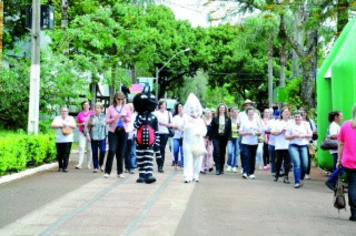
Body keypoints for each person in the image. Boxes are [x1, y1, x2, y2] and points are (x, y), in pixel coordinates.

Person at [180, 93, 207, 183]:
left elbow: (204, 131)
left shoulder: (200, 121)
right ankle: (187, 176)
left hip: (198, 142)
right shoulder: (186, 119)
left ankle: (196, 174)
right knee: (188, 159)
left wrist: (200, 132)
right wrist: (184, 123)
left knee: (198, 160)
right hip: (187, 142)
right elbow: (180, 128)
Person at [104, 92, 132, 178]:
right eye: (118, 99)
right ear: (115, 99)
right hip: (113, 131)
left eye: (121, 99)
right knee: (112, 150)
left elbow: (129, 119)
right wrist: (114, 118)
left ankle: (120, 172)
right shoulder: (110, 108)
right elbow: (106, 121)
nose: (120, 101)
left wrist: (124, 118)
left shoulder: (126, 107)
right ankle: (107, 171)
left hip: (123, 131)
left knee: (120, 152)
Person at [337, 103, 356, 221]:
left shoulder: (345, 125)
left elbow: (341, 144)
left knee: (352, 185)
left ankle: (354, 213)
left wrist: (339, 160)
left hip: (349, 161)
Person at [285, 110, 312, 188]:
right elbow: (286, 136)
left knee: (305, 165)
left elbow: (310, 134)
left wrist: (303, 135)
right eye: (296, 117)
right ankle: (297, 182)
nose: (297, 118)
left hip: (303, 145)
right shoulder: (291, 125)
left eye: (299, 116)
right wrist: (293, 136)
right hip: (293, 145)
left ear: (302, 117)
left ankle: (300, 177)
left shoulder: (306, 124)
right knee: (297, 164)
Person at [239, 106, 263, 179]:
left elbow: (260, 132)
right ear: (247, 114)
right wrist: (248, 133)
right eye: (249, 113)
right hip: (245, 142)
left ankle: (251, 172)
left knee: (252, 157)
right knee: (246, 156)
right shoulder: (244, 121)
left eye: (252, 113)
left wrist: (257, 133)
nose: (251, 114)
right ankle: (245, 172)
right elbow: (240, 132)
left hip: (254, 142)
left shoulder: (256, 121)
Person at [84, 102, 108, 173]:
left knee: (103, 150)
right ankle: (95, 167)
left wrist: (107, 137)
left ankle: (101, 163)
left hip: (102, 136)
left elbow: (107, 127)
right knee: (94, 152)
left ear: (101, 109)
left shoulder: (104, 117)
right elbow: (86, 127)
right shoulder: (91, 117)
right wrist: (87, 135)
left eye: (99, 108)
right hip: (93, 136)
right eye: (96, 108)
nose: (97, 109)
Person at [51, 106, 76, 172]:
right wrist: (61, 125)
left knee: (66, 153)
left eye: (65, 111)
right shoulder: (57, 118)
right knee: (60, 153)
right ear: (60, 112)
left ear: (68, 112)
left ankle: (65, 167)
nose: (64, 112)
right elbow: (52, 126)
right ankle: (60, 166)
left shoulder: (70, 118)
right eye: (63, 111)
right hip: (59, 139)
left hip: (68, 139)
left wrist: (67, 125)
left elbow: (74, 126)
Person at [154, 99, 174, 173]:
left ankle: (161, 165)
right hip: (157, 132)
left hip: (165, 132)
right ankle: (158, 163)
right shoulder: (156, 113)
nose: (163, 106)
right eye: (162, 104)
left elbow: (172, 124)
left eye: (164, 105)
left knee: (162, 148)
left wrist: (164, 124)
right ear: (159, 105)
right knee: (157, 148)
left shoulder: (168, 113)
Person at [272, 107, 291, 183]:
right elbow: (272, 132)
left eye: (288, 112)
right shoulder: (278, 122)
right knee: (278, 161)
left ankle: (286, 177)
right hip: (279, 145)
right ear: (281, 114)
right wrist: (280, 132)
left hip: (289, 145)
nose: (286, 113)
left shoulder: (292, 122)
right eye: (285, 112)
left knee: (287, 162)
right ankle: (276, 174)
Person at [325, 111, 344, 190]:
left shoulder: (335, 125)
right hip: (336, 149)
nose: (341, 118)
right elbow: (333, 135)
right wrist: (343, 134)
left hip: (336, 149)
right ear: (336, 117)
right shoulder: (334, 125)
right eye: (340, 116)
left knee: (335, 167)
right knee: (342, 167)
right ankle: (331, 180)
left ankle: (334, 184)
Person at [211, 103, 231, 175]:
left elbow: (229, 129)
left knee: (222, 153)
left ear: (225, 109)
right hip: (216, 137)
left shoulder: (228, 118)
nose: (222, 109)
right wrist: (210, 137)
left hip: (224, 138)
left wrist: (229, 139)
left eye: (223, 108)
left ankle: (222, 168)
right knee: (216, 152)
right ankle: (217, 168)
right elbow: (212, 128)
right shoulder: (215, 118)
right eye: (220, 108)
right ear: (218, 109)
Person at [76, 100, 95, 170]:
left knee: (90, 149)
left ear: (89, 106)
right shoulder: (80, 114)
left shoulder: (92, 113)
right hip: (82, 132)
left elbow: (96, 120)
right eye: (84, 105)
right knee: (81, 147)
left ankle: (88, 163)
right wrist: (81, 124)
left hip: (90, 133)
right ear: (83, 106)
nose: (86, 106)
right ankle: (80, 163)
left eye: (87, 105)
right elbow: (76, 123)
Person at [300, 108, 317, 180]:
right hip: (299, 142)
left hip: (308, 143)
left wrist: (309, 133)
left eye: (304, 112)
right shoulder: (297, 121)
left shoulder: (310, 121)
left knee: (307, 158)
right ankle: (301, 172)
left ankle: (307, 172)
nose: (303, 113)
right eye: (302, 112)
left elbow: (315, 130)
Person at [124, 103, 137, 174]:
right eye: (128, 107)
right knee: (126, 153)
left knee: (133, 152)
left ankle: (131, 167)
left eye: (131, 107)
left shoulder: (136, 116)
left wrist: (136, 128)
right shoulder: (124, 116)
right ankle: (126, 167)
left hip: (133, 136)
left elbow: (139, 124)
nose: (130, 109)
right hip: (125, 136)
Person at [171, 102, 184, 169]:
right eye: (179, 108)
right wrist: (176, 127)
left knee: (183, 151)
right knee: (175, 150)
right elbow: (173, 125)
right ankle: (175, 161)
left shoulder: (186, 117)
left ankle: (182, 163)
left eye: (181, 107)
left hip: (183, 137)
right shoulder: (175, 117)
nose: (180, 109)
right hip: (176, 136)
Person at [201, 108, 214, 174]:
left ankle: (210, 165)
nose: (208, 114)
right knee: (203, 153)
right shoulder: (202, 121)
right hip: (203, 138)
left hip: (210, 139)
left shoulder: (213, 121)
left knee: (210, 153)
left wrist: (211, 138)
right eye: (206, 113)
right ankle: (203, 167)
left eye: (209, 113)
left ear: (211, 114)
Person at [226, 108, 239, 173]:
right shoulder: (229, 120)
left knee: (236, 153)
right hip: (230, 138)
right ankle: (229, 165)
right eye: (234, 112)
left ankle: (234, 166)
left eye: (236, 112)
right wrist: (228, 139)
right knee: (230, 152)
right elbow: (227, 130)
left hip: (238, 138)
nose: (235, 113)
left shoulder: (240, 120)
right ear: (231, 113)